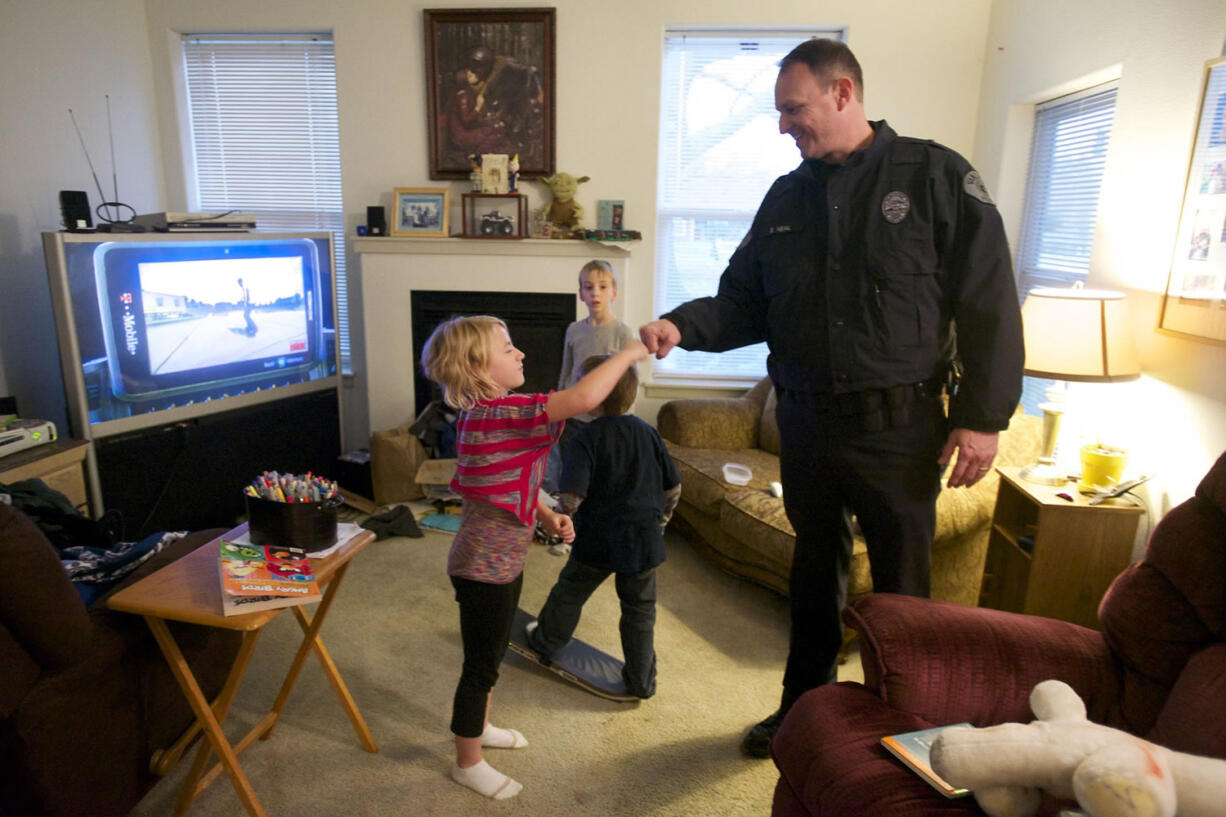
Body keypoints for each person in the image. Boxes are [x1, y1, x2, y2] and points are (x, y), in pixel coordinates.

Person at [638, 38, 1024, 758]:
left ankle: (910, 724)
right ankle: (802, 709)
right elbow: (744, 300)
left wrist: (982, 418)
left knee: (906, 591)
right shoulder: (787, 197)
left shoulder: (937, 176)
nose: (784, 126)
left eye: (794, 108)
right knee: (813, 576)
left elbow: (989, 303)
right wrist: (679, 325)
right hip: (808, 423)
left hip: (900, 427)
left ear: (843, 93)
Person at [420, 315, 648, 799]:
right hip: (485, 568)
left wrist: (544, 515)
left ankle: (479, 727)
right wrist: (628, 353)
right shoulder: (500, 413)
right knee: (480, 667)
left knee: (493, 652)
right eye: (507, 349)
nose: (521, 354)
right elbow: (585, 398)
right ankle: (467, 761)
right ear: (477, 367)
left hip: (499, 560)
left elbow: (500, 484)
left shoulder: (489, 416)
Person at [526, 356, 681, 699]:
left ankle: (546, 640)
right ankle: (642, 681)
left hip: (598, 539)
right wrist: (661, 524)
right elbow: (673, 489)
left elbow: (571, 497)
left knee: (571, 591)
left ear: (593, 395)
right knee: (640, 611)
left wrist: (565, 521)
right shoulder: (649, 432)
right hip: (644, 540)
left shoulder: (586, 438)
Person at [542, 260, 634, 501]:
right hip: (573, 415)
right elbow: (566, 371)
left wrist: (623, 416)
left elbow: (628, 378)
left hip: (605, 416)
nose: (596, 293)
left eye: (603, 287)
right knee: (572, 465)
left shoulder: (622, 332)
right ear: (581, 293)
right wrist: (559, 407)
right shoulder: (573, 330)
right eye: (589, 287)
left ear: (613, 292)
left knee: (602, 469)